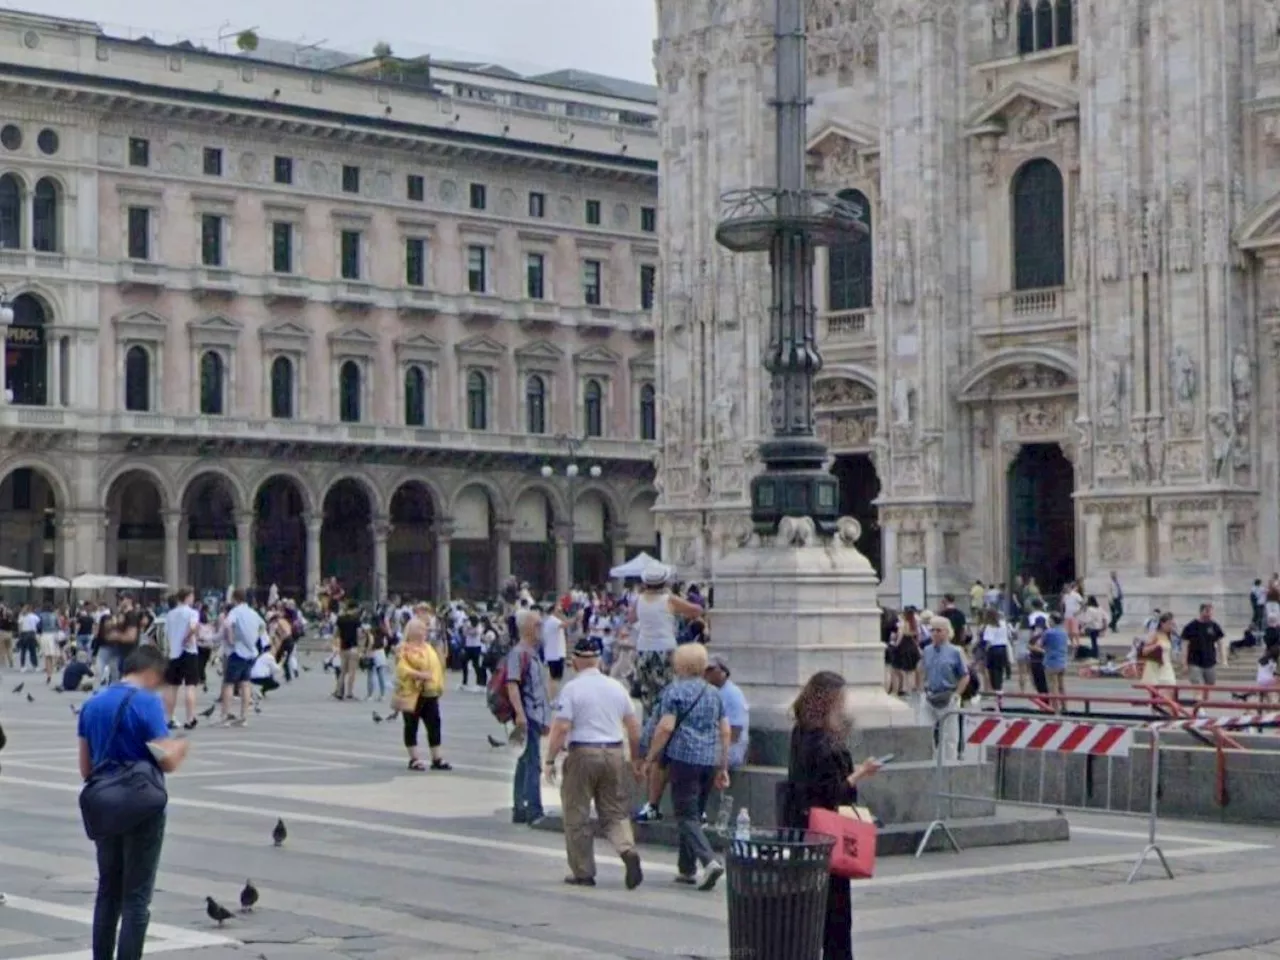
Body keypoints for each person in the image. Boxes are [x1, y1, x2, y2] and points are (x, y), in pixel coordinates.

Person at [78, 645, 190, 960]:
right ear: (151, 672)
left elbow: (85, 768)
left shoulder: (92, 704)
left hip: (105, 806)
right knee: (136, 897)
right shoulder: (148, 704)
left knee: (107, 892)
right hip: (142, 808)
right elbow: (165, 760)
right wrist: (180, 749)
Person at [781, 671, 882, 960]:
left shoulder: (802, 730)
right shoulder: (823, 742)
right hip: (828, 832)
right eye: (842, 699)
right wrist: (861, 772)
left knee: (815, 907)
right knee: (836, 911)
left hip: (803, 827)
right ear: (829, 701)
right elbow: (832, 792)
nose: (845, 704)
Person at [543, 636, 644, 889]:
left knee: (576, 812)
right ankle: (626, 850)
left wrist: (549, 759)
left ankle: (583, 871)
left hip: (583, 753)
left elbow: (562, 727)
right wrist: (635, 758)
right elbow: (633, 727)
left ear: (575, 661)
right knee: (614, 811)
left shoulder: (572, 689)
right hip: (613, 752)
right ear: (598, 660)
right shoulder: (616, 687)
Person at [642, 642, 730, 891]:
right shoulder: (713, 693)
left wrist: (651, 756)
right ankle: (686, 868)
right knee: (695, 813)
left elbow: (666, 726)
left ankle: (709, 861)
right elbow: (724, 731)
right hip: (708, 760)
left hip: (683, 759)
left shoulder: (674, 692)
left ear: (679, 665)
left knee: (685, 816)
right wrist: (722, 766)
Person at [506, 609, 550, 825]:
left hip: (535, 715)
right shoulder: (519, 653)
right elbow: (512, 685)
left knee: (525, 761)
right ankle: (533, 809)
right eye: (538, 625)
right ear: (527, 628)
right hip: (527, 715)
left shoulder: (533, 653)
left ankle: (520, 807)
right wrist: (521, 715)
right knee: (532, 762)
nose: (541, 629)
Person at [395, 619, 452, 771]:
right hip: (411, 693)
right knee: (411, 725)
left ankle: (437, 757)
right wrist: (419, 675)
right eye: (421, 629)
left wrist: (438, 686)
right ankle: (414, 758)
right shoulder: (404, 649)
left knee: (434, 724)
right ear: (412, 631)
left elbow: (437, 668)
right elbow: (402, 669)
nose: (424, 631)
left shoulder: (428, 648)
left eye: (424, 629)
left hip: (430, 693)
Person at [920, 618, 969, 761]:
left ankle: (949, 763)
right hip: (930, 695)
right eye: (932, 630)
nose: (935, 633)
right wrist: (922, 686)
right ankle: (928, 760)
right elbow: (923, 669)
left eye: (939, 630)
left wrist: (957, 695)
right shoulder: (927, 650)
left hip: (948, 695)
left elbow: (965, 675)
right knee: (925, 730)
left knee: (949, 735)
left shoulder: (956, 651)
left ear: (947, 633)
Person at [219, 589, 263, 726]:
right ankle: (244, 716)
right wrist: (255, 637)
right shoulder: (253, 612)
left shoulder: (235, 611)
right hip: (251, 652)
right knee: (245, 683)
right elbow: (263, 626)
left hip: (238, 651)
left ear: (235, 599)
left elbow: (226, 624)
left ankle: (225, 715)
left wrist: (232, 638)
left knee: (229, 683)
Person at [162, 587, 201, 731]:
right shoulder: (192, 613)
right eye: (192, 596)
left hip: (174, 652)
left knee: (172, 687)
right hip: (189, 651)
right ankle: (190, 718)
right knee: (190, 686)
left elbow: (166, 634)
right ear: (188, 597)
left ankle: (169, 718)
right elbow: (193, 627)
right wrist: (187, 637)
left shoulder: (170, 614)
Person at [704, 654, 749, 770]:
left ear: (723, 672)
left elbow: (735, 732)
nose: (705, 673)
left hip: (730, 749)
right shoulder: (712, 692)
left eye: (710, 669)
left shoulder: (733, 694)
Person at [1181, 603, 1225, 685]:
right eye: (1207, 611)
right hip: (1194, 661)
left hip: (1210, 661)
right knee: (1197, 685)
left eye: (1211, 612)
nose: (1209, 614)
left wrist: (1223, 658)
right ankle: (1198, 698)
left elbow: (1220, 643)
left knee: (1210, 685)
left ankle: (1205, 698)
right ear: (1201, 612)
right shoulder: (1191, 627)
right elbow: (1184, 646)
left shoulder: (1214, 626)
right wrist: (1184, 664)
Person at [1141, 612, 1179, 687]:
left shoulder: (1169, 635)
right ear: (1162, 623)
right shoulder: (1154, 634)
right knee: (1157, 691)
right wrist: (1155, 645)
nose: (1170, 626)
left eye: (1172, 624)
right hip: (1156, 665)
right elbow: (1144, 651)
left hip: (1167, 666)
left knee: (1171, 685)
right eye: (1169, 624)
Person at [335, 600, 363, 701]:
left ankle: (339, 692)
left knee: (343, 671)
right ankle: (349, 693)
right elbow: (359, 634)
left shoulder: (340, 619)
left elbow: (337, 633)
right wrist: (361, 647)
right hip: (353, 647)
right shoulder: (356, 620)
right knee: (352, 672)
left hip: (343, 647)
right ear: (354, 609)